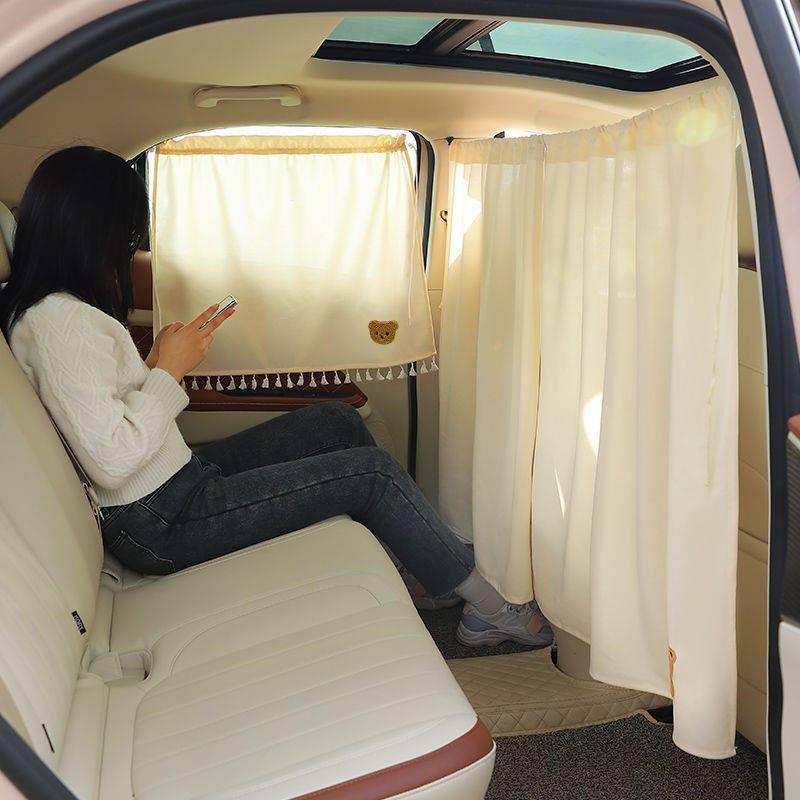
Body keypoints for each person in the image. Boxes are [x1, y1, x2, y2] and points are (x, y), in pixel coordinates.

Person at [0, 146, 552, 649]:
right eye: (125, 237)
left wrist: (157, 364)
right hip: (162, 522)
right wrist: (169, 371)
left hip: (173, 486)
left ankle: (427, 564)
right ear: (91, 232)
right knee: (373, 475)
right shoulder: (61, 324)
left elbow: (105, 414)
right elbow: (112, 457)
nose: (128, 252)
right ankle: (491, 612)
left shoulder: (60, 314)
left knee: (335, 421)